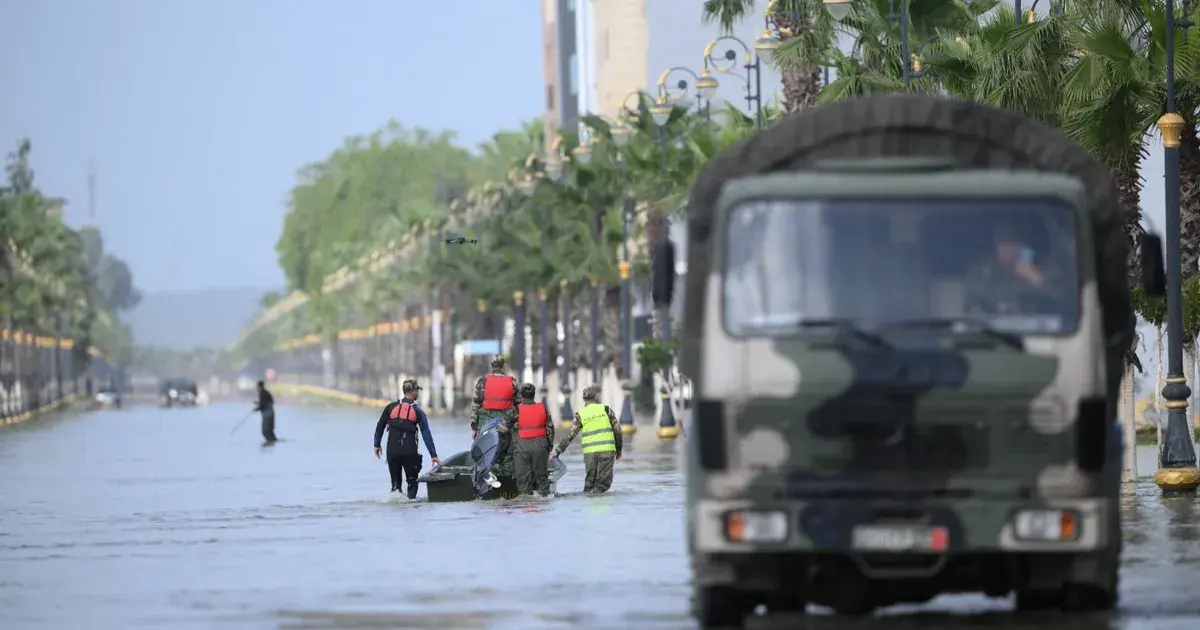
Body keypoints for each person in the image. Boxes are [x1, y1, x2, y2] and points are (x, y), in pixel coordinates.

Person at [965, 222, 1062, 315]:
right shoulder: (982, 271)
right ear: (996, 245)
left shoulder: (1047, 268)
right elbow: (972, 308)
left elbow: (1062, 304)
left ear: (1026, 246)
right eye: (1003, 243)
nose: (1010, 250)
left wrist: (1036, 280)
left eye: (1016, 243)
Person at [374, 379, 441, 499]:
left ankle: (395, 510)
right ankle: (410, 508)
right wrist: (433, 455)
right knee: (412, 482)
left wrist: (377, 444)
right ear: (414, 392)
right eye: (417, 391)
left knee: (395, 486)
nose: (418, 394)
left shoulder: (390, 408)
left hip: (392, 450)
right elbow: (426, 434)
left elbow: (380, 426)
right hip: (409, 451)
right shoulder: (418, 411)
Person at [549, 384, 622, 494]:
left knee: (589, 483)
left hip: (590, 453)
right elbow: (617, 430)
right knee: (603, 484)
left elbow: (570, 435)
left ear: (583, 399)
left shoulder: (581, 415)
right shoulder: (606, 410)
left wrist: (558, 451)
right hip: (607, 450)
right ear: (595, 397)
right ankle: (599, 505)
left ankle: (588, 504)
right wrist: (619, 449)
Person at [469, 355, 521, 481]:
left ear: (491, 365)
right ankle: (508, 476)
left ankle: (484, 473)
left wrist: (474, 426)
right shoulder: (512, 382)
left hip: (486, 420)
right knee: (507, 450)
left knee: (484, 449)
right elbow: (519, 405)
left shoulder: (482, 382)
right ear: (503, 366)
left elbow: (475, 404)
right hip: (506, 421)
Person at [505, 382, 555, 496]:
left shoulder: (515, 411)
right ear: (534, 395)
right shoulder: (543, 410)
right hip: (540, 447)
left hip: (522, 448)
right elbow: (550, 430)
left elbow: (504, 429)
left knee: (524, 484)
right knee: (542, 481)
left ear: (521, 395)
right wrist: (548, 447)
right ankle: (544, 502)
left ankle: (526, 506)